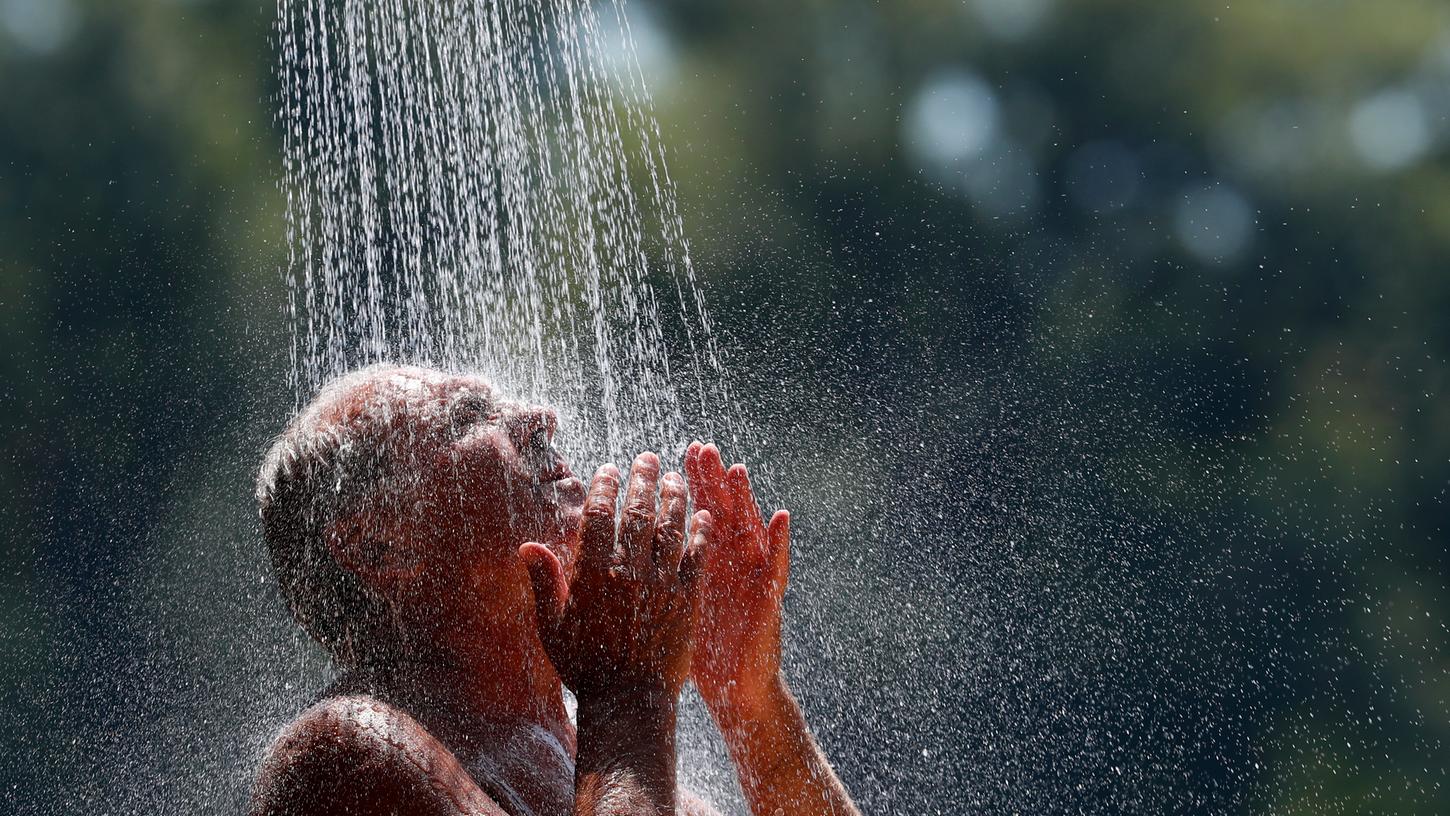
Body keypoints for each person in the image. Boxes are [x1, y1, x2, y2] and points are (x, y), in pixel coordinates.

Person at [249, 365, 859, 816]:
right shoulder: (345, 758)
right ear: (383, 544)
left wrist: (751, 701)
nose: (542, 418)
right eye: (467, 416)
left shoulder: (604, 766)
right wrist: (627, 691)